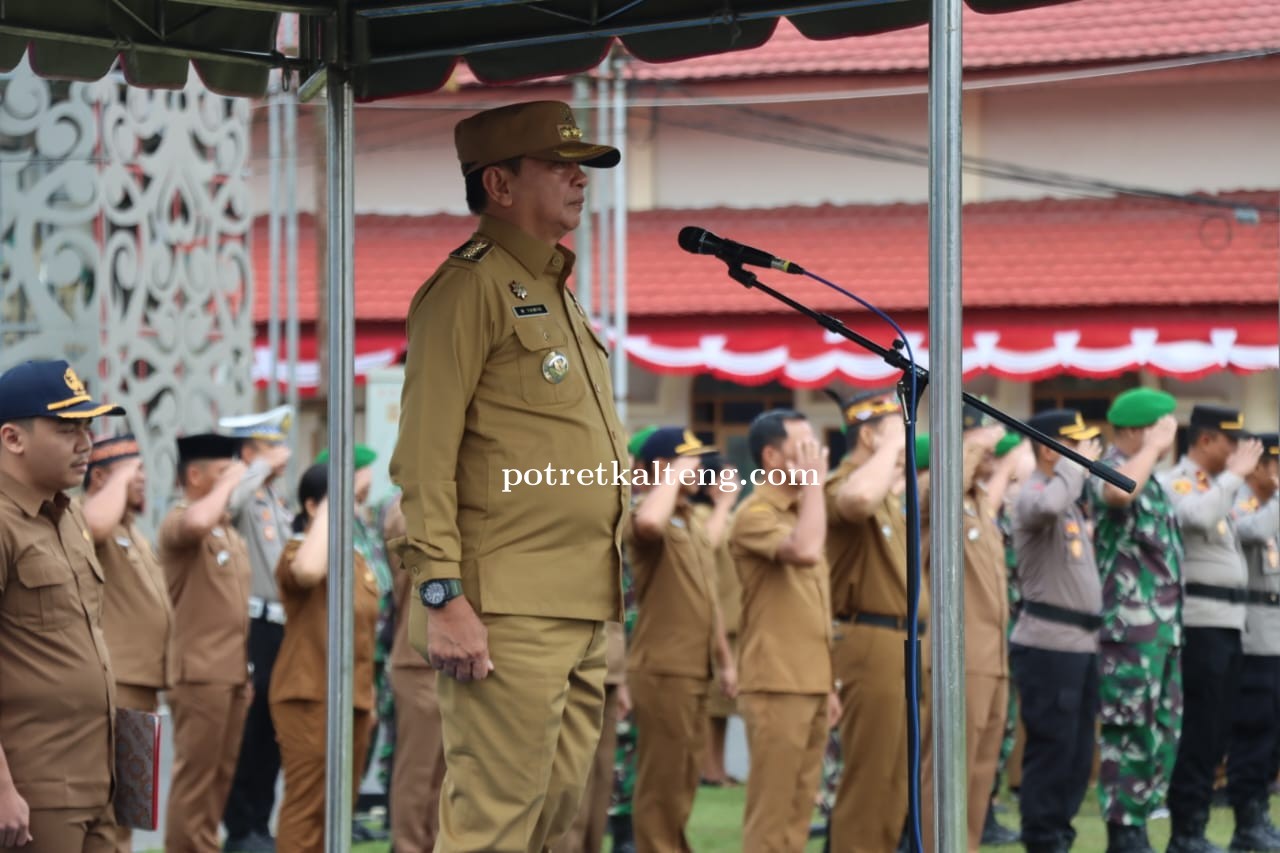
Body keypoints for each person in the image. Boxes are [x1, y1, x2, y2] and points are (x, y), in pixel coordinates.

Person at [387, 99, 628, 853]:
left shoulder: (556, 290)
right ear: (499, 182)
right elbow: (423, 457)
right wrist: (442, 594)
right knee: (495, 822)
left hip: (583, 602)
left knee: (553, 816)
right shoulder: (468, 289)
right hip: (508, 609)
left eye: (580, 165)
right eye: (558, 164)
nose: (578, 178)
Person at [0, 359, 125, 852]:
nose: (85, 443)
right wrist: (3, 788)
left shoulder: (68, 517)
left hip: (98, 779)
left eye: (87, 426)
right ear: (13, 438)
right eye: (65, 428)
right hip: (35, 788)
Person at [730, 408, 837, 853]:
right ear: (771, 457)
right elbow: (806, 551)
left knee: (798, 811)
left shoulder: (801, 511)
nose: (816, 457)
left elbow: (813, 609)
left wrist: (828, 684)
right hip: (775, 681)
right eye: (803, 449)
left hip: (809, 681)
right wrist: (815, 484)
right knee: (772, 815)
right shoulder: (754, 513)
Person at [625, 427, 737, 852]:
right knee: (662, 782)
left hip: (692, 667)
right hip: (663, 668)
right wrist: (669, 475)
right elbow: (649, 523)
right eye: (689, 461)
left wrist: (725, 661)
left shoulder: (689, 518)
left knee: (684, 777)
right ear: (662, 467)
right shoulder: (646, 510)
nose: (698, 470)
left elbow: (708, 600)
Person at [1159, 405, 1263, 853]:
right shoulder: (1177, 482)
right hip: (1200, 623)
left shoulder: (1220, 489)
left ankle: (1196, 826)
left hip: (1229, 623)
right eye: (1230, 441)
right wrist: (1235, 476)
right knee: (1199, 730)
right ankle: (1186, 830)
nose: (1238, 452)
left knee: (1218, 731)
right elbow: (1197, 518)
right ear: (1204, 441)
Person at [822, 389, 920, 853]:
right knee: (871, 778)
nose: (905, 438)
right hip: (867, 638)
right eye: (893, 428)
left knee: (897, 781)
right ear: (868, 434)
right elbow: (856, 499)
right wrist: (888, 449)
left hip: (901, 641)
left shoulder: (884, 492)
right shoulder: (846, 483)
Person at [917, 408, 1018, 853]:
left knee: (980, 771)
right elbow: (935, 493)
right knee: (947, 770)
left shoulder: (978, 501)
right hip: (957, 656)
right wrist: (971, 443)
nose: (995, 451)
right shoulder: (932, 491)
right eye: (983, 442)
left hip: (992, 658)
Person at [269, 462, 381, 852]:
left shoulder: (355, 560)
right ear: (314, 506)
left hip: (354, 700)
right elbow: (308, 571)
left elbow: (365, 634)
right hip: (310, 697)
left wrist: (369, 701)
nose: (355, 508)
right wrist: (333, 506)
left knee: (338, 811)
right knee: (309, 806)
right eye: (347, 499)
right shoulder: (298, 549)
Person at [1089, 388, 1183, 853]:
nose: (1166, 436)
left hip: (1161, 632)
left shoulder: (1155, 480)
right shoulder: (1111, 467)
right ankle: (1124, 833)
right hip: (1128, 632)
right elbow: (1116, 494)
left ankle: (1139, 824)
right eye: (1156, 427)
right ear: (1130, 431)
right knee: (1128, 730)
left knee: (1161, 730)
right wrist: (1149, 449)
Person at [1010, 408, 1103, 853]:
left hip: (1079, 646)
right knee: (1052, 751)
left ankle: (1058, 833)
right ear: (1049, 448)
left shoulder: (1067, 496)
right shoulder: (1033, 492)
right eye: (1074, 444)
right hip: (1049, 646)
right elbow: (1043, 507)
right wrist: (1073, 467)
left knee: (1078, 753)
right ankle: (1043, 839)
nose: (1085, 452)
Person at [81, 434, 176, 853]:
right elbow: (91, 524)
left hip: (141, 686)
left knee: (131, 807)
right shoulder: (92, 523)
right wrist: (114, 480)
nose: (142, 480)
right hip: (117, 684)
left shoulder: (131, 531)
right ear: (101, 476)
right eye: (133, 471)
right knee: (110, 808)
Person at [160, 432, 252, 853]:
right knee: (196, 783)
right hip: (199, 673)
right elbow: (196, 522)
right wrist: (231, 482)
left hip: (230, 673)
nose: (231, 477)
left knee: (219, 781)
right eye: (220, 471)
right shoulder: (181, 521)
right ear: (193, 475)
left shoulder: (226, 530)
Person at [218, 406, 293, 853]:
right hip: (253, 622)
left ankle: (259, 823)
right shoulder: (243, 487)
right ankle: (240, 825)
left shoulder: (272, 496)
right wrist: (256, 466)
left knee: (270, 727)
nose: (281, 454)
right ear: (249, 451)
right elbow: (229, 504)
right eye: (269, 446)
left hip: (282, 624)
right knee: (246, 729)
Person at [384, 492, 447, 853]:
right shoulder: (405, 507)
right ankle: (408, 846)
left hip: (454, 659)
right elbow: (410, 538)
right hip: (418, 659)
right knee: (417, 772)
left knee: (447, 774)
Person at [1226, 433, 1280, 851]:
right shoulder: (1240, 500)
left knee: (1274, 734)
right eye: (1275, 464)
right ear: (1259, 467)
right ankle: (1246, 820)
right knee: (1254, 730)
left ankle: (1260, 813)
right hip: (1255, 635)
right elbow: (1253, 530)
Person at [693, 453, 743, 789]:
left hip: (739, 622)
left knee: (725, 705)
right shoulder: (701, 514)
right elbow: (704, 546)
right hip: (714, 624)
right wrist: (723, 505)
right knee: (712, 705)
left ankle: (720, 769)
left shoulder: (734, 516)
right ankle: (708, 771)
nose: (734, 485)